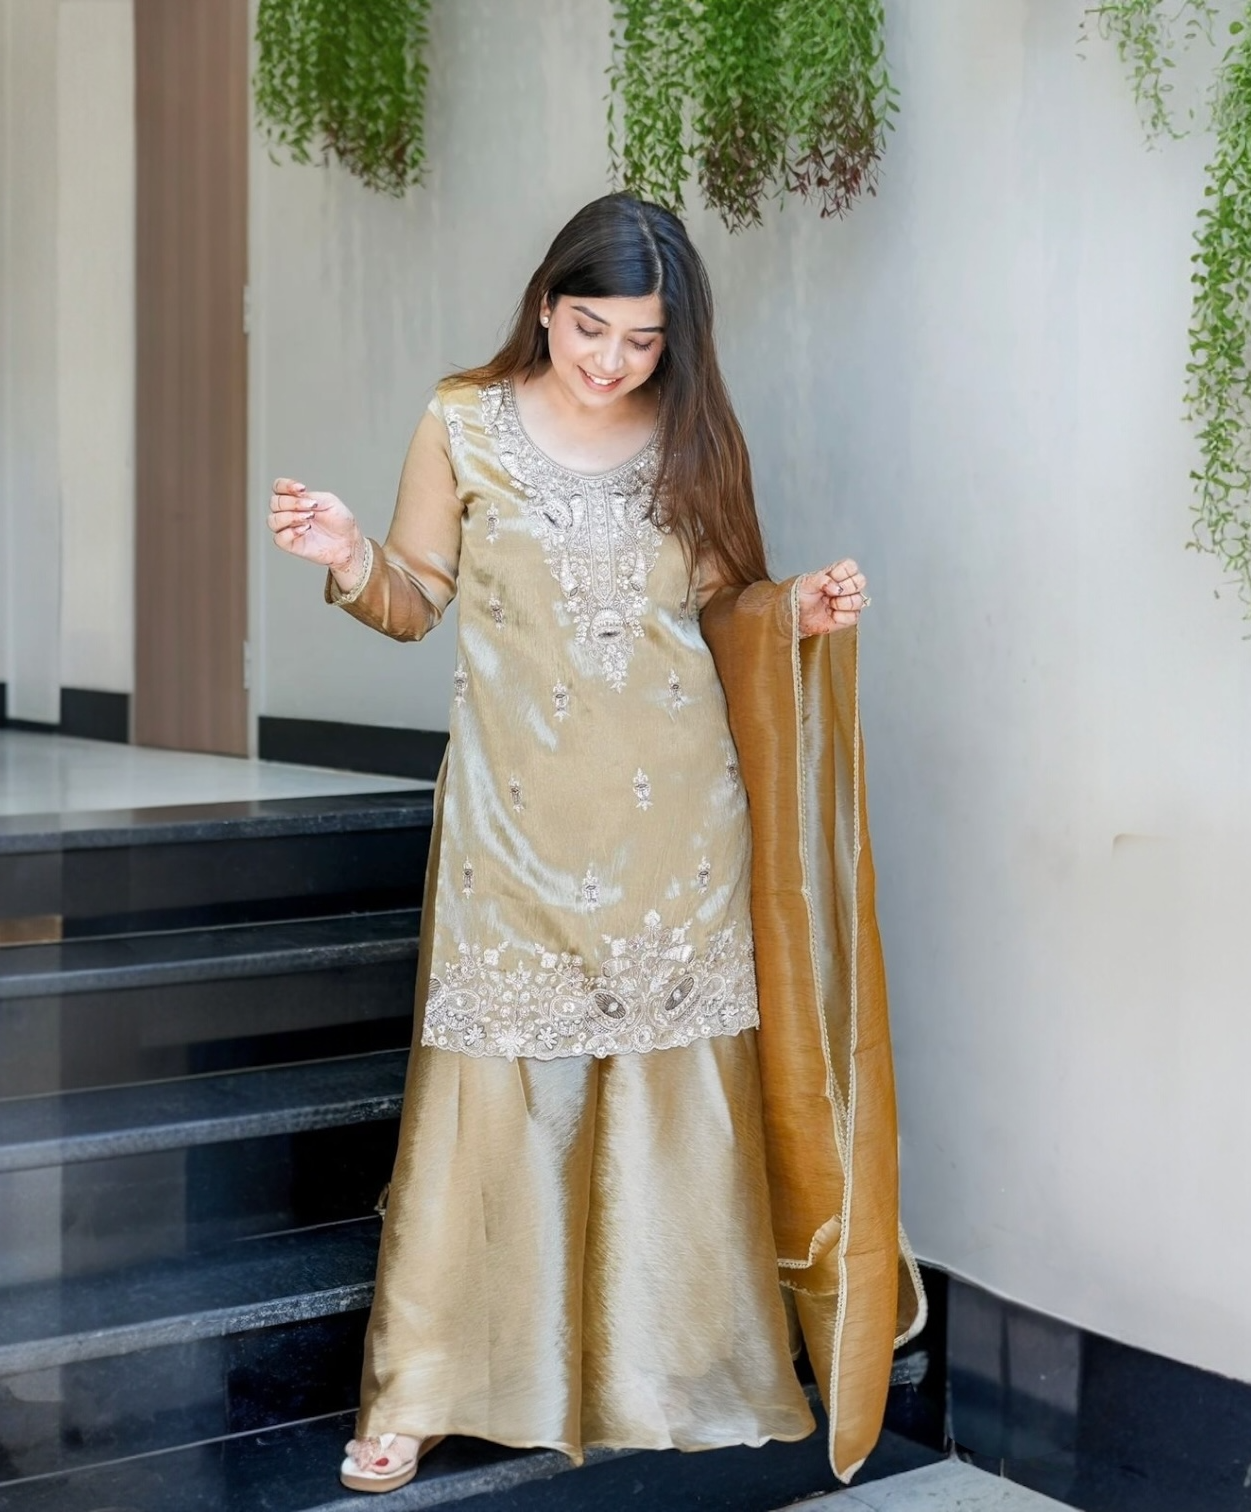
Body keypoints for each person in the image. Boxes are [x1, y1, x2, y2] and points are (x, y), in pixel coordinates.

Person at [268, 192, 895, 1496]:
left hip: (679, 828)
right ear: (546, 306)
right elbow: (415, 600)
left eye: (642, 340)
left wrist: (794, 614)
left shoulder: (693, 435)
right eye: (590, 328)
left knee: (677, 1089)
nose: (612, 361)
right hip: (513, 827)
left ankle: (677, 1372)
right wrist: (350, 553)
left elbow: (724, 610)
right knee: (489, 1102)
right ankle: (421, 1391)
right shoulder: (461, 421)